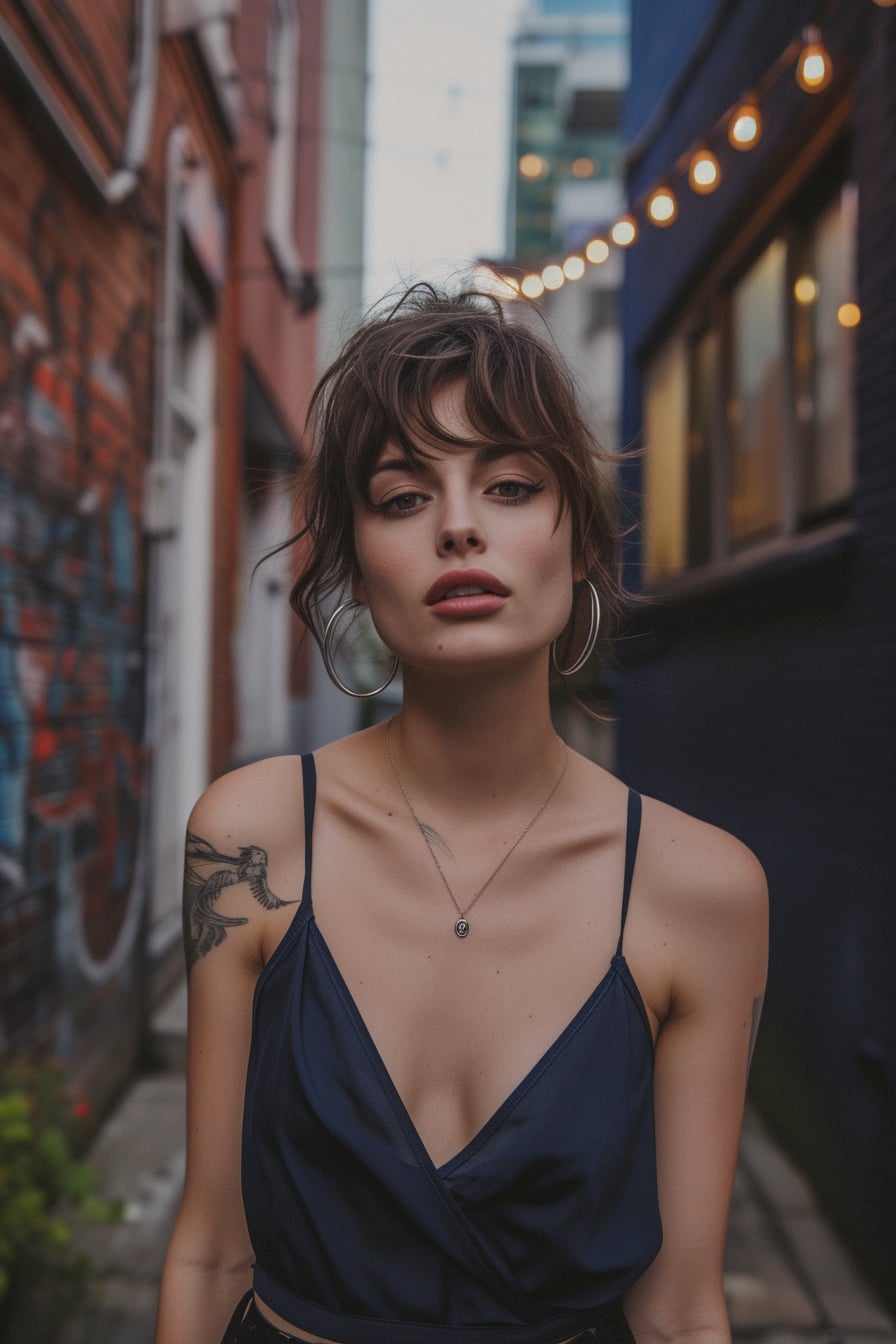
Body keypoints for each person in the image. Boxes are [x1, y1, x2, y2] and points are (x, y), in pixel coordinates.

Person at [155, 286, 768, 1344]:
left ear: (578, 543)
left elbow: (677, 1309)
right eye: (401, 497)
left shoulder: (698, 889)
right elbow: (211, 1249)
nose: (458, 527)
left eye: (511, 484)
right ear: (353, 561)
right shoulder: (253, 837)